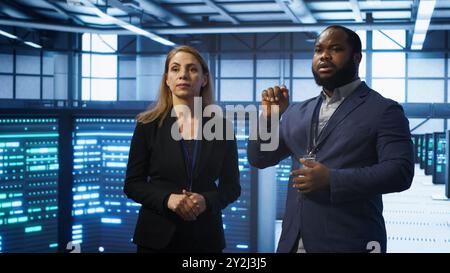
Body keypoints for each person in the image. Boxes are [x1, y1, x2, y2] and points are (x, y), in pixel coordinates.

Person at [247, 25, 414, 253]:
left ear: (357, 58)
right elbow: (260, 158)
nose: (324, 55)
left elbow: (400, 172)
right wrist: (269, 117)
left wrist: (332, 180)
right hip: (292, 242)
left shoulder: (384, 110)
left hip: (351, 242)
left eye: (335, 49)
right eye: (318, 50)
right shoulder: (298, 112)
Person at [124, 45, 241, 253]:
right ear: (167, 79)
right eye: (175, 69)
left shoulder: (223, 128)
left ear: (204, 79)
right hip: (155, 239)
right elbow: (133, 184)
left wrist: (206, 200)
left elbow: (232, 187)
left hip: (205, 239)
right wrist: (168, 199)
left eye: (192, 69)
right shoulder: (147, 126)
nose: (183, 75)